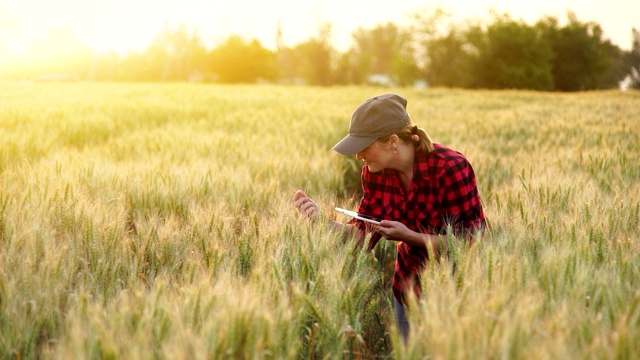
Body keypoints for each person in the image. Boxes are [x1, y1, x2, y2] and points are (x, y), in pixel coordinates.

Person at [293, 93, 486, 342]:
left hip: (458, 296)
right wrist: (320, 221)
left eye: (364, 146)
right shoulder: (374, 173)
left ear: (393, 141)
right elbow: (360, 235)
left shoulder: (450, 168)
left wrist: (409, 237)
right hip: (408, 289)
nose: (358, 155)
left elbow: (473, 242)